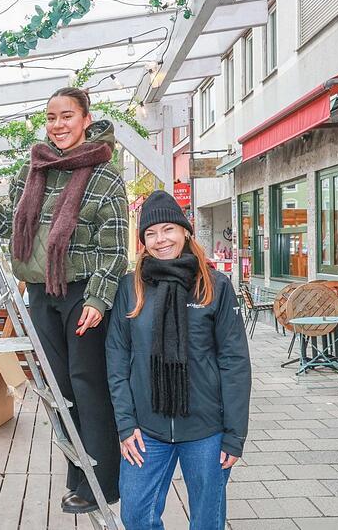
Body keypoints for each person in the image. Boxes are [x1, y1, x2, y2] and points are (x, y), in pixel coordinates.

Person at [0, 87, 128, 513]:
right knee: (60, 386)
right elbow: (13, 225)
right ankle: (78, 474)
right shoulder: (33, 169)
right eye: (51, 117)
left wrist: (100, 299)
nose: (58, 125)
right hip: (39, 292)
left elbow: (116, 248)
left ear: (86, 119)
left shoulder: (104, 174)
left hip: (82, 294)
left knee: (89, 385)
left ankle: (102, 482)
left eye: (67, 116)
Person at [105, 191, 252, 530]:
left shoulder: (215, 286)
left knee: (207, 520)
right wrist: (126, 424)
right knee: (136, 514)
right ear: (143, 241)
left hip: (206, 429)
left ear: (185, 231)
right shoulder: (131, 287)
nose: (161, 240)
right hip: (146, 429)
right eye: (151, 233)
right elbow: (116, 357)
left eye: (168, 229)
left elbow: (234, 362)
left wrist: (234, 435)